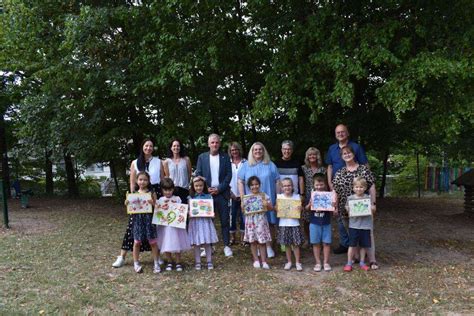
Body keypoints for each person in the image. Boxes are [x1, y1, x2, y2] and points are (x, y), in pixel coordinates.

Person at [112, 138, 164, 268]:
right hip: (138, 198)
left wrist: (161, 198)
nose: (148, 148)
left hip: (154, 194)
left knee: (155, 228)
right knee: (132, 227)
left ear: (153, 148)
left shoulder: (158, 162)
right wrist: (133, 198)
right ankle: (122, 256)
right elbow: (132, 182)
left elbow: (163, 180)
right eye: (146, 146)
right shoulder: (135, 162)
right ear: (142, 147)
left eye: (151, 146)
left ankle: (158, 257)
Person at [332, 145, 378, 269]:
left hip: (365, 209)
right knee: (353, 233)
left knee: (368, 233)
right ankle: (358, 258)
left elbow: (372, 186)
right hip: (345, 209)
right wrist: (335, 205)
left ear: (353, 154)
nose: (347, 155)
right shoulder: (340, 172)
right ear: (342, 157)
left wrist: (373, 203)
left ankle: (372, 260)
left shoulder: (363, 169)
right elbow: (335, 190)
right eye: (344, 153)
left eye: (349, 152)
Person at [325, 124, 368, 254]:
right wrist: (330, 184)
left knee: (356, 218)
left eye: (343, 132)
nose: (340, 134)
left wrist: (365, 186)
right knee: (339, 217)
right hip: (338, 188)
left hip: (356, 189)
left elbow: (365, 165)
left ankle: (358, 247)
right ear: (335, 134)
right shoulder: (332, 149)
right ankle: (345, 243)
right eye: (338, 132)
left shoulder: (356, 147)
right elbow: (330, 167)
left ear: (347, 133)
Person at [238, 142, 280, 258]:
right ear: (252, 152)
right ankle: (256, 247)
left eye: (260, 149)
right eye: (255, 150)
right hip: (251, 202)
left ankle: (268, 246)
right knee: (254, 223)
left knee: (269, 222)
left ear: (264, 151)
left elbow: (277, 181)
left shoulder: (270, 164)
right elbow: (240, 181)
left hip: (268, 196)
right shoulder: (246, 165)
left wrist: (278, 197)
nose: (258, 151)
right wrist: (242, 198)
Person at [196, 133, 233, 257]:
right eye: (212, 142)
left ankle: (226, 245)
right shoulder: (202, 157)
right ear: (208, 144)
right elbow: (199, 174)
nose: (215, 144)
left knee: (224, 221)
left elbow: (229, 175)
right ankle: (209, 246)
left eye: (217, 142)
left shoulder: (225, 157)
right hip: (207, 195)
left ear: (219, 143)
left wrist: (219, 189)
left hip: (222, 194)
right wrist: (207, 189)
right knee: (207, 221)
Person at [125, 171, 160, 273]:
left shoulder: (151, 193)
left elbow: (157, 207)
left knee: (153, 242)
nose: (142, 182)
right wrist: (127, 202)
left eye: (145, 180)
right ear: (136, 181)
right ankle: (136, 263)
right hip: (138, 221)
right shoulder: (133, 194)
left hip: (149, 220)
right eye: (140, 179)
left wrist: (152, 203)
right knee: (137, 242)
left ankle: (156, 263)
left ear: (148, 181)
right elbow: (129, 206)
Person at [156, 178, 191, 272]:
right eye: (165, 190)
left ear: (173, 189)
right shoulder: (160, 200)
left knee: (177, 243)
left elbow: (181, 211)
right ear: (162, 190)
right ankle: (169, 261)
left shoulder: (177, 199)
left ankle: (178, 261)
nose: (168, 192)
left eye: (170, 190)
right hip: (165, 227)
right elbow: (158, 213)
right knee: (166, 243)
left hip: (176, 227)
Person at [343, 177, 376, 272]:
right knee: (352, 245)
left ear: (365, 188)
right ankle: (349, 263)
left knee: (364, 245)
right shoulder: (350, 198)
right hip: (354, 225)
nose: (359, 189)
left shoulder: (368, 198)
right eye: (356, 187)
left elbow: (373, 209)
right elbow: (346, 207)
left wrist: (372, 208)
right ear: (353, 188)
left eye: (361, 187)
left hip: (365, 226)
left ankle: (362, 262)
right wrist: (347, 209)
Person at [187, 176, 219, 270]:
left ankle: (209, 261)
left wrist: (212, 213)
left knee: (207, 242)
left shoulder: (208, 197)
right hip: (195, 222)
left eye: (200, 186)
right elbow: (189, 210)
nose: (198, 188)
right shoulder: (190, 197)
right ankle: (198, 262)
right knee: (196, 243)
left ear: (204, 186)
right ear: (193, 186)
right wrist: (189, 212)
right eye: (196, 186)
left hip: (205, 222)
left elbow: (211, 209)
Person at [306, 174, 335, 272]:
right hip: (314, 223)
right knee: (316, 243)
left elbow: (332, 211)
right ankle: (318, 262)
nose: (319, 187)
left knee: (326, 243)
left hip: (326, 222)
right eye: (317, 185)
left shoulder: (328, 195)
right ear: (313, 185)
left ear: (325, 184)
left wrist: (333, 206)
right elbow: (306, 209)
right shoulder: (311, 195)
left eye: (321, 185)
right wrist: (310, 204)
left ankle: (326, 262)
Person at [243, 176, 273, 269]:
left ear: (259, 185)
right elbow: (244, 211)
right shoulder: (247, 197)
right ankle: (256, 260)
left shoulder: (264, 196)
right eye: (252, 185)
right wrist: (243, 206)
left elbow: (271, 208)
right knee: (252, 241)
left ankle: (264, 261)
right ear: (249, 187)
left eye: (256, 184)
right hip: (250, 222)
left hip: (261, 221)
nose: (254, 186)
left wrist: (266, 204)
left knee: (262, 242)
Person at [275, 178, 304, 271]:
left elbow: (301, 210)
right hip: (283, 224)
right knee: (287, 244)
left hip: (294, 223)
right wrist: (277, 208)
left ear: (292, 186)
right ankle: (289, 261)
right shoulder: (279, 197)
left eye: (289, 185)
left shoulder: (297, 197)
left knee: (296, 244)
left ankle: (298, 262)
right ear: (281, 187)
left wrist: (300, 208)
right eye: (284, 186)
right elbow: (276, 209)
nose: (287, 187)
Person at [301, 147, 327, 242]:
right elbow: (301, 182)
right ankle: (308, 240)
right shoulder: (303, 168)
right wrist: (302, 195)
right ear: (307, 157)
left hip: (320, 196)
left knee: (318, 218)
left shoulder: (323, 169)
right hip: (308, 195)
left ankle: (318, 240)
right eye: (310, 155)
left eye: (314, 154)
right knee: (306, 219)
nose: (312, 156)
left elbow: (326, 183)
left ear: (317, 156)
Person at [163, 139, 192, 203]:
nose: (176, 147)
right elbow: (167, 177)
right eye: (174, 146)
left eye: (178, 146)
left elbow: (189, 174)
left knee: (184, 210)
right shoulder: (166, 162)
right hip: (172, 191)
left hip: (184, 189)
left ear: (180, 147)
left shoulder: (186, 159)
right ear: (171, 148)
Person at [228, 142, 246, 245]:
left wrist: (243, 194)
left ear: (239, 150)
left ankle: (243, 238)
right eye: (232, 150)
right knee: (232, 216)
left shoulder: (245, 162)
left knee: (244, 216)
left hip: (243, 194)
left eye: (236, 149)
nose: (234, 152)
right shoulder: (227, 162)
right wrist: (230, 193)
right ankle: (232, 237)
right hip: (231, 193)